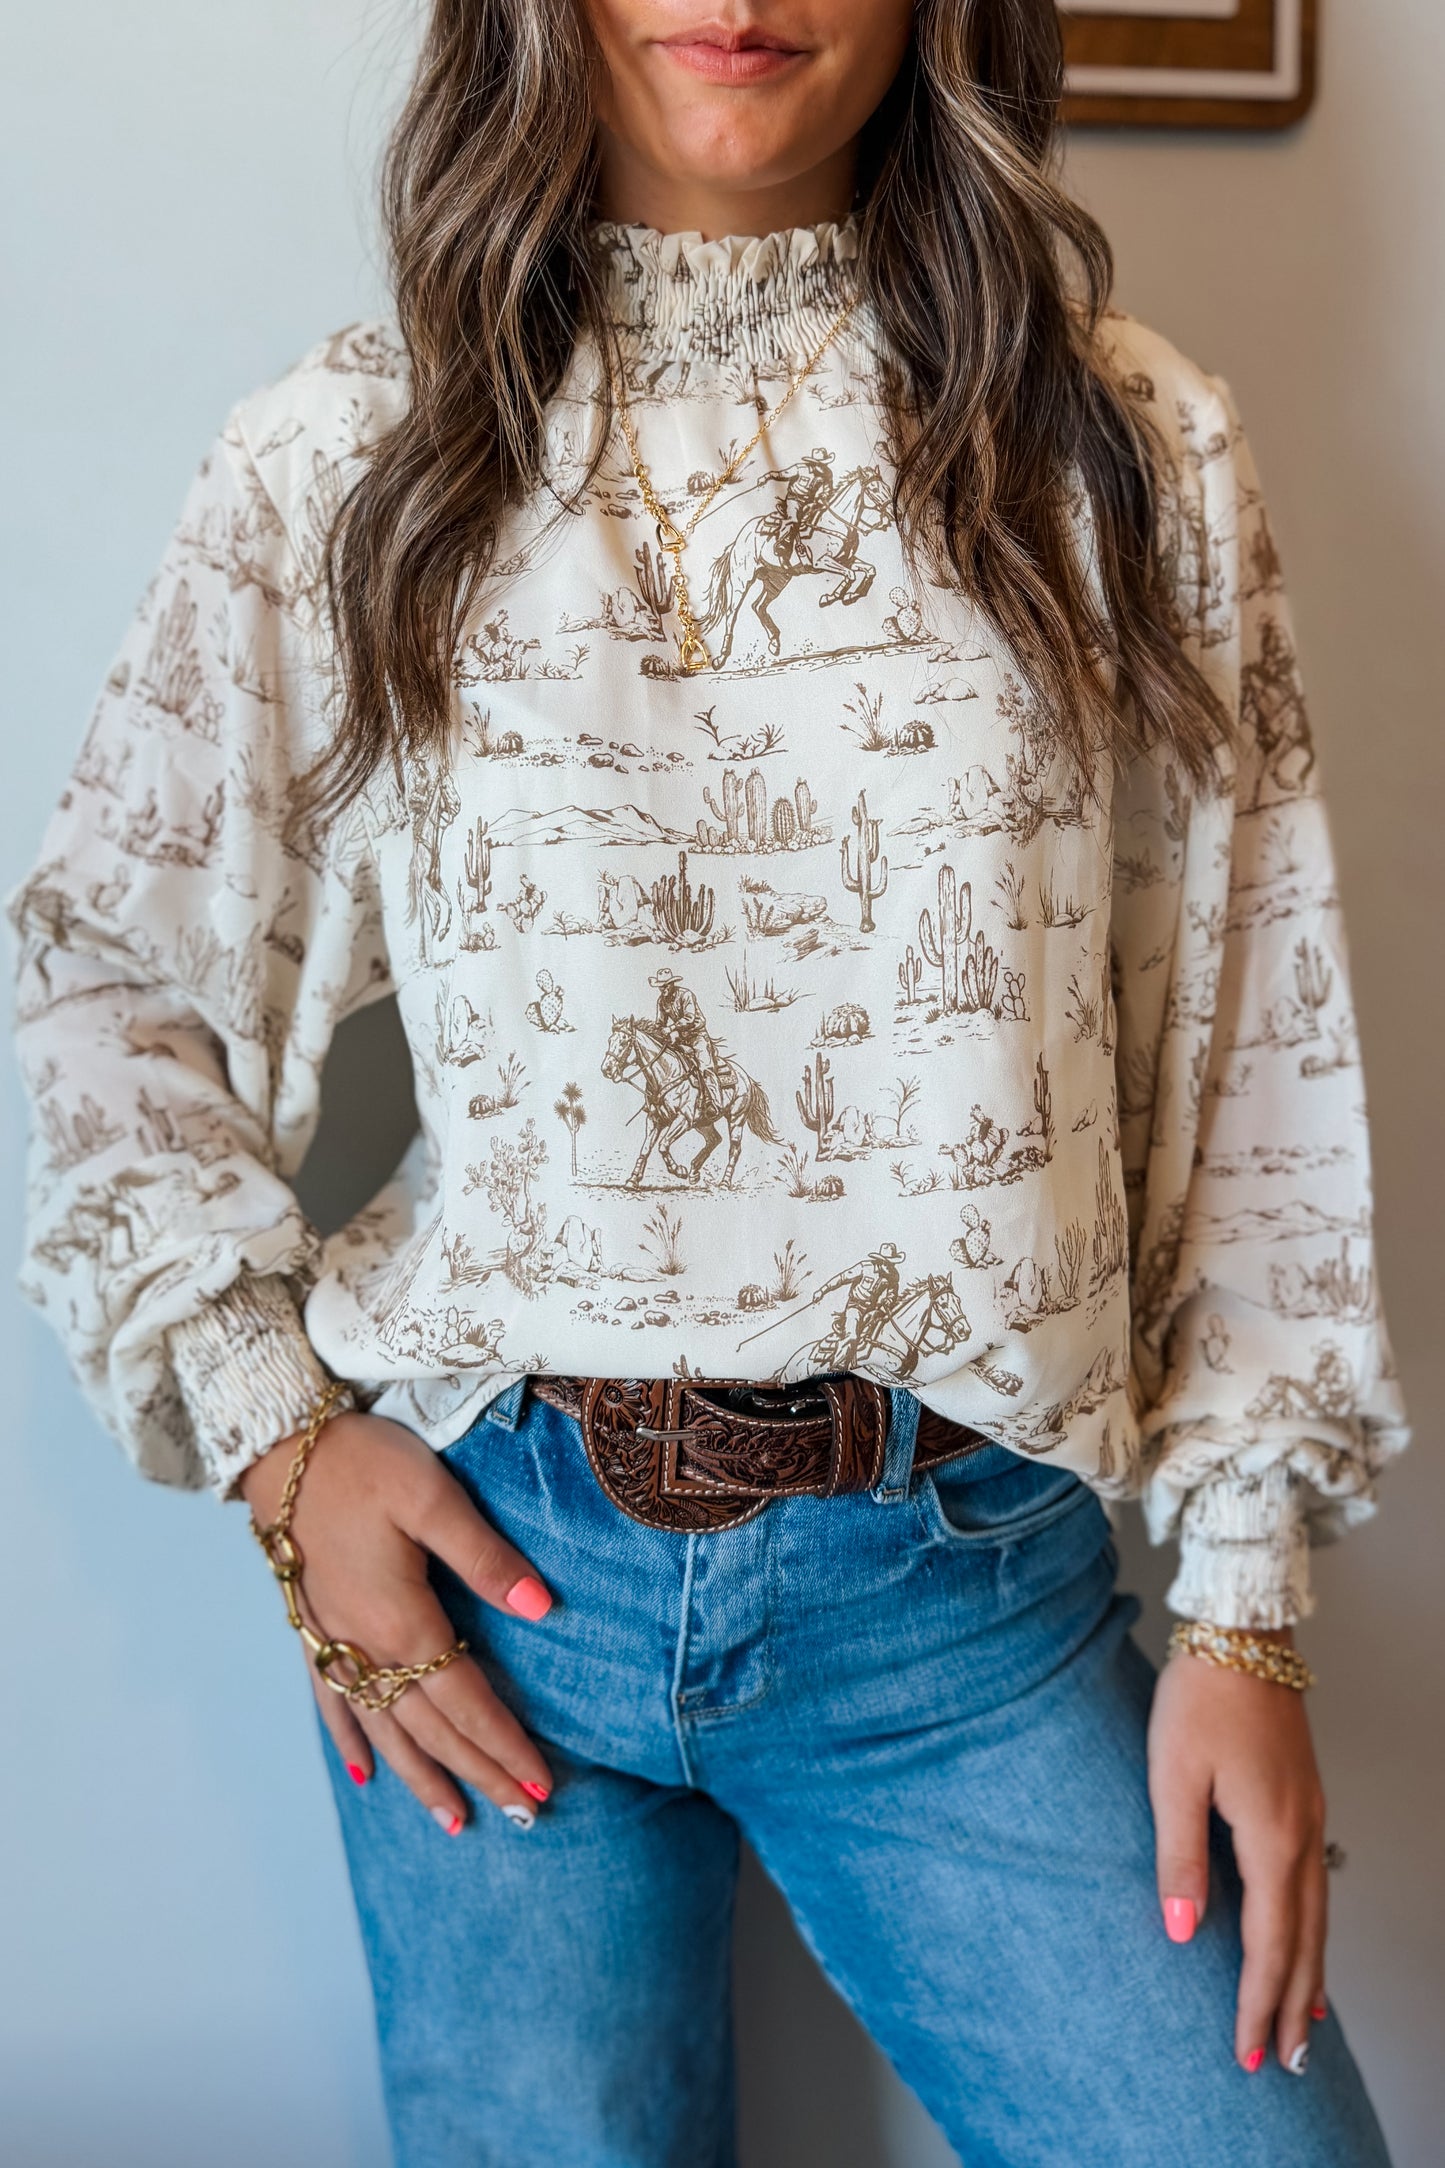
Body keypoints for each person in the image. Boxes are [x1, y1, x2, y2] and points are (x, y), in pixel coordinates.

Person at [8, 4, 1410, 2163]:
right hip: (496, 1568)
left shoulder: (1129, 452)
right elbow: (98, 965)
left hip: (968, 1597)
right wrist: (289, 1457)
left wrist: (1247, 1605)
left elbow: (1253, 1070)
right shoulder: (357, 450)